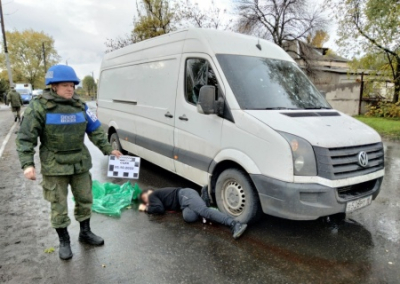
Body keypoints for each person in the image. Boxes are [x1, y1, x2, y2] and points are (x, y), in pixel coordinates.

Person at [16, 65, 122, 260]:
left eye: (72, 85)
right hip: (54, 165)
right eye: (65, 85)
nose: (70, 89)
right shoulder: (38, 107)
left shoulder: (80, 106)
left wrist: (109, 149)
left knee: (85, 198)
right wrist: (27, 164)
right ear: (53, 86)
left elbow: (96, 130)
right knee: (58, 204)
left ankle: (85, 232)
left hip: (79, 163)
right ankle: (64, 241)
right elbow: (25, 137)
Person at [139, 186, 248, 239]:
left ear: (150, 192)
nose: (147, 201)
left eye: (146, 198)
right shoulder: (158, 196)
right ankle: (203, 200)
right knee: (188, 217)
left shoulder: (153, 195)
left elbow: (159, 209)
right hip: (184, 204)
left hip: (185, 195)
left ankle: (235, 224)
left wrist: (146, 209)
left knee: (204, 211)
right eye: (145, 200)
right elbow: (160, 207)